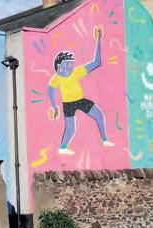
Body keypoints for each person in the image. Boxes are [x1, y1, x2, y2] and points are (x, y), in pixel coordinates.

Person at [47, 26, 112, 155]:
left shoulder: (76, 72)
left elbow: (96, 62)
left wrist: (98, 39)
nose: (69, 67)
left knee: (99, 115)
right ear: (58, 66)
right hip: (68, 104)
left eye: (70, 65)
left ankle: (105, 140)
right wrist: (54, 107)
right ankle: (63, 148)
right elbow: (50, 90)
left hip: (80, 100)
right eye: (66, 65)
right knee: (71, 129)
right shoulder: (56, 78)